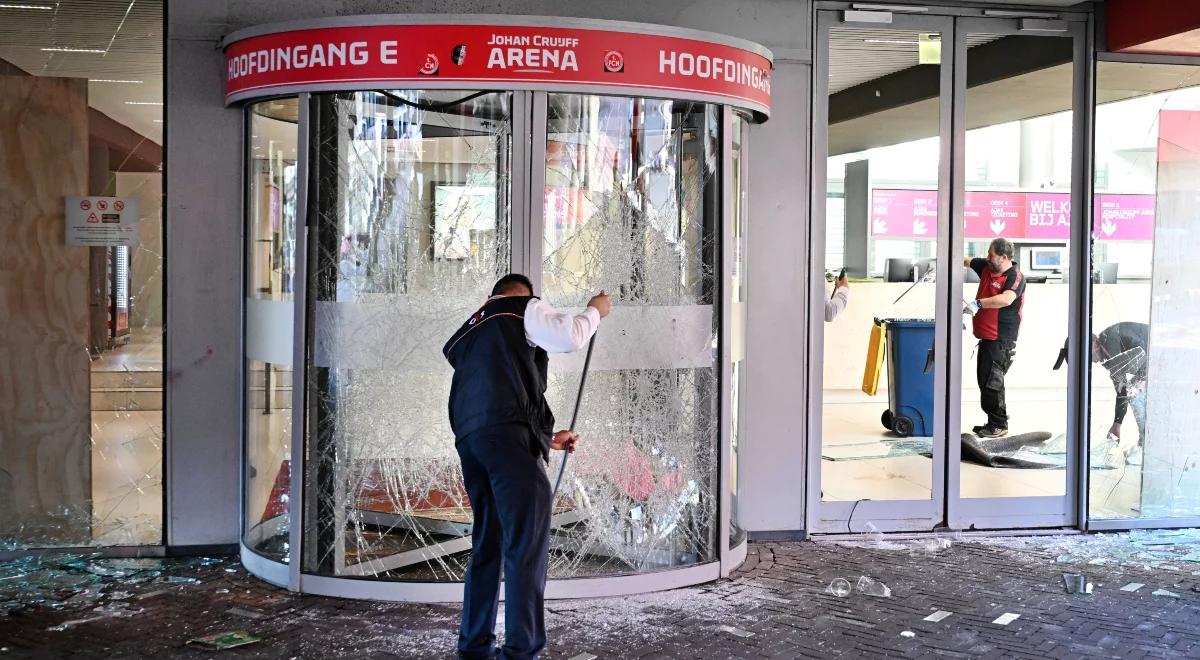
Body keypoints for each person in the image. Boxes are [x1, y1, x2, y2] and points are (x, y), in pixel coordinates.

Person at [442, 273, 611, 660]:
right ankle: (522, 650)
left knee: (488, 545)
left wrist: (545, 437)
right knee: (525, 546)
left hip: (473, 444)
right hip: (508, 443)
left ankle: (474, 647)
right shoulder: (517, 308)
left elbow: (502, 391)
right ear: (522, 296)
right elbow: (570, 336)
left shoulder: (470, 333)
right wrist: (595, 312)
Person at [963, 237, 1026, 438]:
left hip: (1001, 340)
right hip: (987, 338)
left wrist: (978, 304)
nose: (987, 258)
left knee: (993, 382)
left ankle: (999, 424)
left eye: (991, 255)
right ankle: (993, 423)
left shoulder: (1015, 276)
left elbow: (1006, 299)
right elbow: (965, 260)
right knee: (984, 381)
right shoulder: (987, 267)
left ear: (1004, 257)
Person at [1093, 321, 1150, 466]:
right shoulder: (1107, 343)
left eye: (1089, 357)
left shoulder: (1111, 343)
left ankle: (1146, 450)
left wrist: (1117, 425)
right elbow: (1121, 389)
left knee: (1135, 392)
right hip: (1155, 358)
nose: (1092, 362)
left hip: (1160, 357)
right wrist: (1117, 424)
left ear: (1093, 346)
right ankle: (1144, 444)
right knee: (1133, 389)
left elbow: (1122, 389)